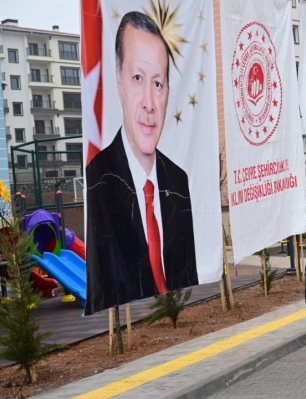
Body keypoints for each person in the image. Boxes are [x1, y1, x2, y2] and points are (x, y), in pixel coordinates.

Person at [85, 12, 197, 316]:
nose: (149, 102)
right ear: (119, 82)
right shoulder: (97, 180)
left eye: (158, 83)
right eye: (138, 79)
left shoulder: (178, 180)